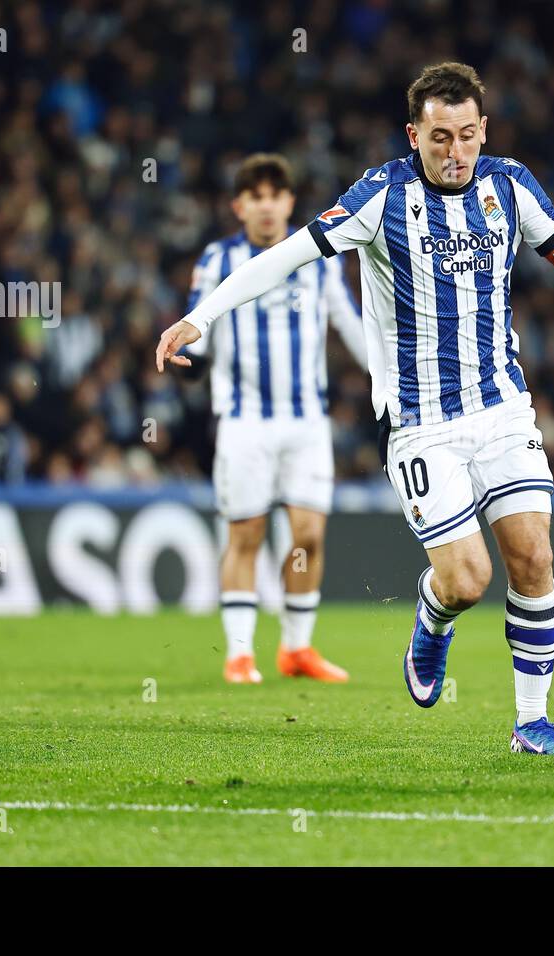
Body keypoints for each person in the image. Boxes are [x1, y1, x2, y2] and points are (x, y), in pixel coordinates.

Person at [158, 63, 554, 753]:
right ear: (415, 135)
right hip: (419, 423)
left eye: (467, 135)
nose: (455, 152)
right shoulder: (381, 195)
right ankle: (434, 616)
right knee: (468, 579)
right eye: (440, 138)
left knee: (533, 557)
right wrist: (202, 316)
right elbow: (284, 257)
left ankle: (530, 721)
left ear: (483, 130)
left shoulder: (510, 185)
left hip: (502, 409)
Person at [183, 154, 367, 684]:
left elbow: (349, 324)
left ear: (289, 202)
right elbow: (201, 321)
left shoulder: (319, 257)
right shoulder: (219, 258)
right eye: (255, 197)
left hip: (307, 421)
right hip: (244, 422)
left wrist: (385, 379)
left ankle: (296, 649)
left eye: (276, 195)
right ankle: (239, 654)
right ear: (240, 207)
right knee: (246, 532)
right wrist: (188, 363)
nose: (267, 206)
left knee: (308, 535)